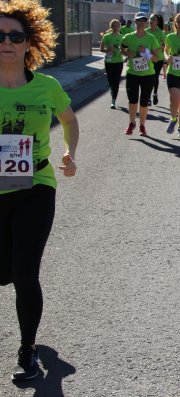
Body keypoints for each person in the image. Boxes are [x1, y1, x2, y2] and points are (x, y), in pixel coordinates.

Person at [0, 0, 79, 381]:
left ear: (29, 41)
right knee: (5, 272)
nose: (7, 42)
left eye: (15, 36)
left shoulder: (46, 86)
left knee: (25, 273)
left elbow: (69, 119)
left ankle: (27, 350)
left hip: (36, 185)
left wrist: (70, 152)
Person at [121, 12, 160, 136]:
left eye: (143, 21)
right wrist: (128, 54)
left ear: (146, 22)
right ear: (135, 22)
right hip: (132, 73)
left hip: (148, 75)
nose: (141, 23)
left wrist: (146, 52)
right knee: (132, 99)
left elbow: (155, 59)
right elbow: (122, 49)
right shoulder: (128, 37)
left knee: (143, 101)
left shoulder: (151, 38)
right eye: (139, 20)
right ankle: (132, 123)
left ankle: (142, 125)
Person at [99, 19, 125, 109]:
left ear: (120, 27)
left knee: (116, 82)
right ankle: (112, 90)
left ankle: (113, 100)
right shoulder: (107, 36)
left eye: (117, 26)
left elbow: (124, 50)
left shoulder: (122, 37)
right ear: (111, 27)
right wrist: (108, 50)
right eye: (114, 26)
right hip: (109, 62)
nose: (116, 27)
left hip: (118, 61)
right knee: (111, 81)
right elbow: (101, 49)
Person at [146, 13, 166, 106]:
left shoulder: (160, 33)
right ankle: (148, 97)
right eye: (150, 19)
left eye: (153, 20)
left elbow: (166, 45)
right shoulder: (145, 31)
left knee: (154, 77)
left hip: (158, 58)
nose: (151, 21)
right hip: (147, 58)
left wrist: (161, 48)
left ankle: (154, 93)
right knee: (148, 77)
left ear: (157, 22)